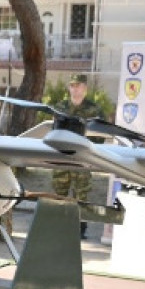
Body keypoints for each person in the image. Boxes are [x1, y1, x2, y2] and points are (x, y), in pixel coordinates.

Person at [51, 73, 107, 237]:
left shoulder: (94, 110)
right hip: (62, 158)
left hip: (82, 158)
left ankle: (79, 229)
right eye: (73, 86)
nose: (75, 89)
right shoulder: (59, 107)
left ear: (85, 88)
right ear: (69, 88)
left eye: (79, 86)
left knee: (81, 194)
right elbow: (53, 131)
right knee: (59, 194)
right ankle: (57, 228)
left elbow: (101, 136)